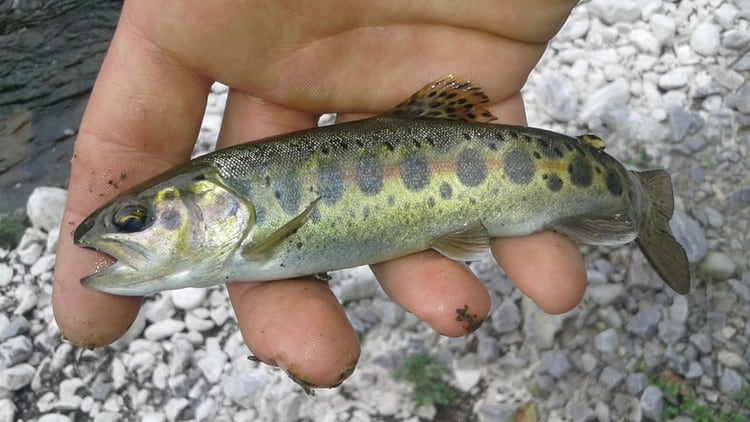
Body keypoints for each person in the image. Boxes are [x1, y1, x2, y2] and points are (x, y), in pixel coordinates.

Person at [53, 0, 586, 388]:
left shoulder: (251, 237)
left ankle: (621, 194)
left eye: (132, 220)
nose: (124, 231)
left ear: (210, 200)